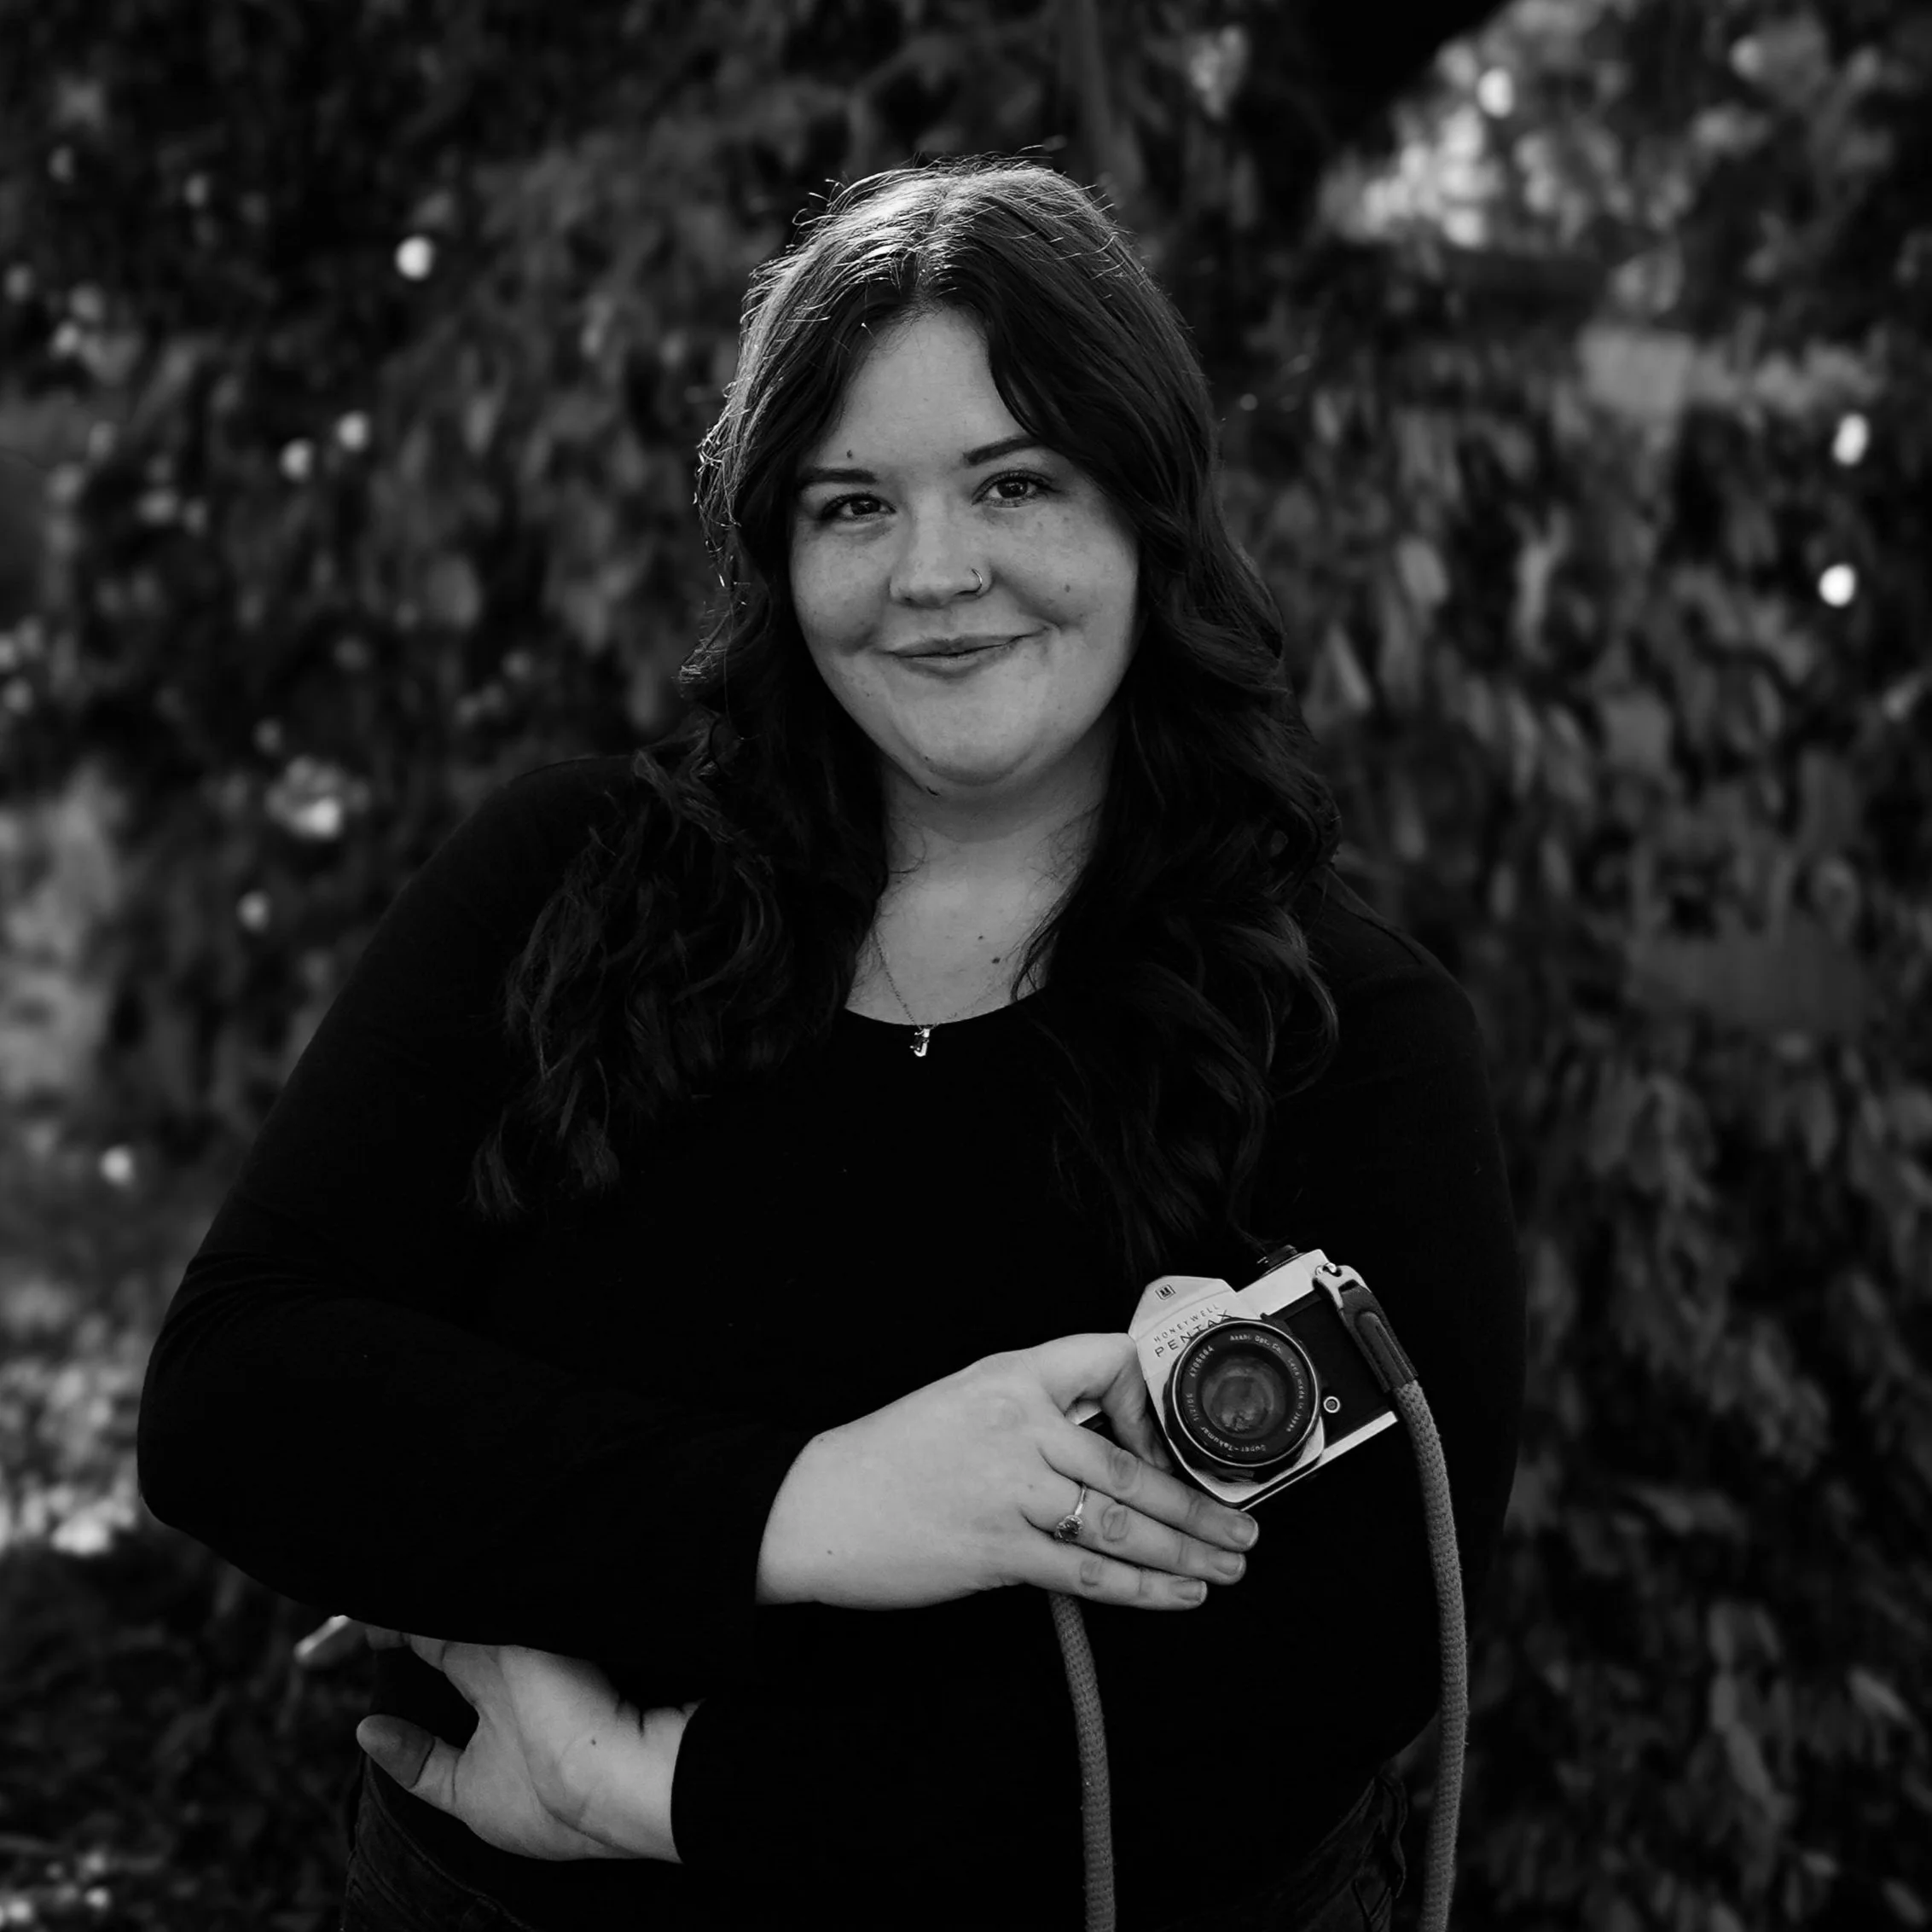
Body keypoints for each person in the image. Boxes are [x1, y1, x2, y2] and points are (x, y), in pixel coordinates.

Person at [136, 155, 1525, 1931]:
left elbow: (1300, 1703)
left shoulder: (1339, 1032)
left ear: (1148, 513)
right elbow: (241, 1396)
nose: (933, 575)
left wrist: (656, 1789)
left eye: (1014, 482)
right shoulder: (565, 886)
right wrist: (815, 1501)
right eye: (850, 505)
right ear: (773, 547)